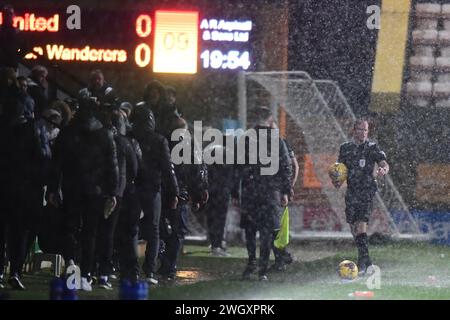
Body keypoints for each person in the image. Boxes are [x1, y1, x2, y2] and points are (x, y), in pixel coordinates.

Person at [234, 107, 292, 281]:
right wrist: (285, 191)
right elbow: (286, 166)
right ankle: (263, 270)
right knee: (267, 231)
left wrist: (236, 192)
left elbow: (237, 167)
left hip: (250, 190)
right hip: (270, 192)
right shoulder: (276, 140)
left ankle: (252, 261)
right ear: (270, 119)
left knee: (250, 229)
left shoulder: (246, 139)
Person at [332, 118, 389, 274]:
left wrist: (383, 170)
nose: (364, 133)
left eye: (366, 130)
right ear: (354, 130)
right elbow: (340, 170)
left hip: (367, 190)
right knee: (353, 227)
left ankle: (363, 263)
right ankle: (366, 261)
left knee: (361, 223)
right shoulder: (345, 148)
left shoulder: (372, 147)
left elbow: (384, 163)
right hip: (352, 191)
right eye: (361, 129)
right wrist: (337, 180)